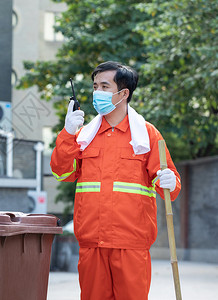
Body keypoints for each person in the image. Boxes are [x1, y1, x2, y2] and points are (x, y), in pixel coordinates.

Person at [51, 61, 181, 300]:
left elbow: (167, 188)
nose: (96, 92)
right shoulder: (83, 137)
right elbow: (62, 172)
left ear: (123, 93)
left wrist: (170, 181)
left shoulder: (147, 135)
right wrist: (67, 134)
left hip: (130, 245)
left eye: (104, 86)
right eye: (95, 86)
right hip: (92, 242)